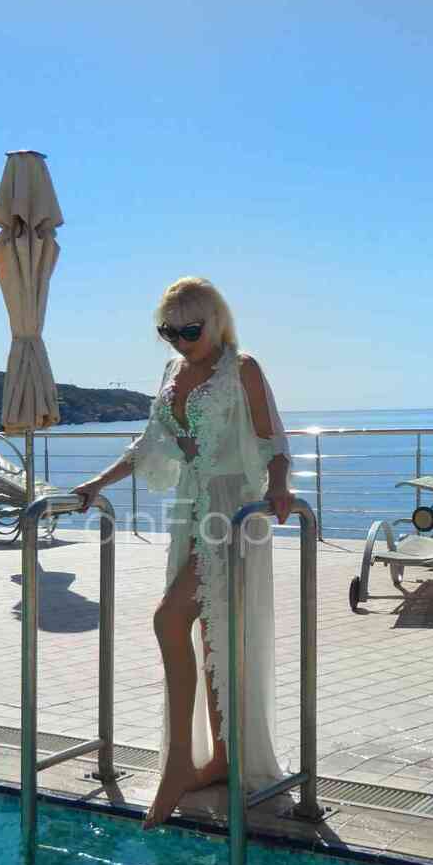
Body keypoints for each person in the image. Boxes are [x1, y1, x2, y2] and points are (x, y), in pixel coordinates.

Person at [72, 277, 291, 829]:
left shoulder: (243, 369)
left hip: (233, 512)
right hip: (191, 510)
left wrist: (279, 487)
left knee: (170, 618)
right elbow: (149, 443)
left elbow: (273, 442)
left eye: (188, 330)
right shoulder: (173, 372)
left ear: (214, 321)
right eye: (167, 332)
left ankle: (177, 765)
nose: (178, 341)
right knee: (209, 633)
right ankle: (220, 758)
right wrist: (96, 483)